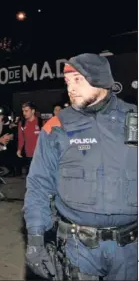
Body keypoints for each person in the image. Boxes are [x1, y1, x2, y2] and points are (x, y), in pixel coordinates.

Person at [24, 53, 137, 280]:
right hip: (78, 247)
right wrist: (35, 237)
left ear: (100, 80)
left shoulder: (133, 118)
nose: (71, 88)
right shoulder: (56, 126)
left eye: (78, 80)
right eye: (67, 82)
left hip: (130, 248)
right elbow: (38, 184)